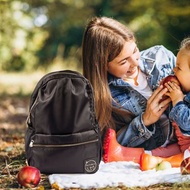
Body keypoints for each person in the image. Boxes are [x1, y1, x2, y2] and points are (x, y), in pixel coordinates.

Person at [82, 16, 184, 167]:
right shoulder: (103, 96)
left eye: (135, 50)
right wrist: (145, 120)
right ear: (103, 65)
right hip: (154, 155)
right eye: (123, 61)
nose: (135, 62)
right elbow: (109, 146)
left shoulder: (161, 57)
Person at [164, 37, 190, 153]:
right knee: (157, 152)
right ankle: (123, 153)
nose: (174, 70)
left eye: (179, 67)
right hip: (183, 147)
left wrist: (178, 100)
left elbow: (187, 123)